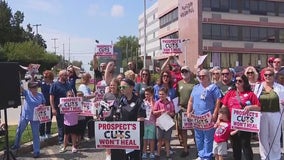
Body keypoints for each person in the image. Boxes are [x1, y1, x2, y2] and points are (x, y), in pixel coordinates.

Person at [221, 75, 260, 160]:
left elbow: (258, 107)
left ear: (244, 82)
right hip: (233, 123)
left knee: (246, 145)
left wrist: (250, 107)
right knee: (235, 146)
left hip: (245, 124)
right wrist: (221, 119)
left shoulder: (250, 94)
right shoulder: (230, 93)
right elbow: (224, 106)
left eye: (240, 81)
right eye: (236, 81)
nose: (237, 82)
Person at [187, 69, 222, 160]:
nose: (201, 77)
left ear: (208, 76)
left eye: (203, 76)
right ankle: (201, 154)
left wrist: (215, 113)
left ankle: (207, 155)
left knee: (208, 137)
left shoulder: (213, 87)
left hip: (208, 116)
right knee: (198, 137)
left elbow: (218, 100)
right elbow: (191, 101)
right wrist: (188, 112)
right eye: (200, 76)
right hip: (197, 117)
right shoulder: (196, 87)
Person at [111, 78, 146, 160]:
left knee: (135, 157)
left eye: (124, 87)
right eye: (120, 87)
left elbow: (141, 119)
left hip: (134, 136)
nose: (121, 89)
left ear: (131, 87)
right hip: (121, 134)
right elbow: (114, 115)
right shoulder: (120, 100)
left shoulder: (139, 101)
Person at [254, 67, 284, 160]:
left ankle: (275, 157)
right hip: (262, 115)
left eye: (270, 75)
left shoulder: (280, 88)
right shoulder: (258, 87)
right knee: (263, 138)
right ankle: (265, 157)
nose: (268, 76)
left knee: (275, 137)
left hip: (275, 114)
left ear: (273, 76)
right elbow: (254, 100)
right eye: (265, 75)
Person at [11, 81, 46, 158]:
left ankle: (36, 151)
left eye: (36, 87)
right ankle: (16, 145)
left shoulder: (40, 95)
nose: (35, 88)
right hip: (25, 116)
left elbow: (44, 103)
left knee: (36, 135)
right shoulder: (27, 93)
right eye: (33, 87)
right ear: (30, 89)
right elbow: (21, 89)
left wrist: (42, 106)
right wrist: (17, 80)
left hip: (35, 118)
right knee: (19, 131)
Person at [176, 66, 194, 157]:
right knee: (183, 130)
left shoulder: (195, 83)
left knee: (195, 130)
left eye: (186, 71)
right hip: (182, 109)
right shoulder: (179, 83)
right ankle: (185, 149)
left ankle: (199, 149)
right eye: (182, 71)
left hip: (193, 110)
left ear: (189, 72)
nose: (184, 73)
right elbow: (177, 96)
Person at [50, 70, 72, 145]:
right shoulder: (54, 85)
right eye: (65, 75)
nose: (66, 77)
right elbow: (51, 98)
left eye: (67, 75)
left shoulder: (68, 84)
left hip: (68, 109)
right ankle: (61, 141)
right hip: (59, 109)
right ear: (60, 76)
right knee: (61, 125)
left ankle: (67, 140)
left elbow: (71, 95)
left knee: (68, 124)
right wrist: (53, 108)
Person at [153, 87, 175, 160]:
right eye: (159, 94)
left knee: (167, 139)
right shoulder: (157, 102)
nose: (161, 96)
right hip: (159, 123)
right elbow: (154, 112)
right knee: (159, 139)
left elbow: (173, 113)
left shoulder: (170, 103)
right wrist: (160, 111)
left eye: (162, 94)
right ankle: (158, 154)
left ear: (166, 95)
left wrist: (169, 113)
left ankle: (168, 154)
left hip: (167, 123)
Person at [102, 78, 121, 160]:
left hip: (118, 118)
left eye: (114, 85)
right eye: (111, 85)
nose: (112, 86)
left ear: (118, 86)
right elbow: (102, 106)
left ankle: (118, 151)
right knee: (108, 137)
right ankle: (108, 153)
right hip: (108, 118)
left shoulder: (121, 95)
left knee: (118, 136)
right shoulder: (106, 95)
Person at [78, 73, 96, 140]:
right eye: (89, 78)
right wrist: (95, 95)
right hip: (85, 107)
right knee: (88, 121)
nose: (90, 80)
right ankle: (89, 135)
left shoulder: (85, 86)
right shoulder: (83, 86)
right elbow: (85, 96)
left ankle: (87, 135)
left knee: (88, 121)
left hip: (87, 106)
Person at [39, 70, 54, 141]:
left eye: (45, 77)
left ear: (49, 77)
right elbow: (32, 83)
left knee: (49, 120)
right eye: (43, 76)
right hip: (43, 104)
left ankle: (48, 133)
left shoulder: (54, 84)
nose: (44, 78)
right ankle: (41, 134)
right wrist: (32, 76)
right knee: (42, 120)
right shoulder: (42, 83)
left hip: (51, 104)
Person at [141, 87, 156, 160]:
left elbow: (153, 110)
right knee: (145, 139)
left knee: (151, 139)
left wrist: (151, 101)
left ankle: (152, 152)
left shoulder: (154, 102)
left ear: (152, 94)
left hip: (152, 123)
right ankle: (144, 152)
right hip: (144, 122)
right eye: (145, 94)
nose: (146, 96)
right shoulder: (143, 102)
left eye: (148, 94)